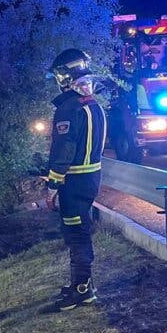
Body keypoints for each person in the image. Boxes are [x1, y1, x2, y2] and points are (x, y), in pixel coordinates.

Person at [45, 49, 107, 310]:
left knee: (77, 234)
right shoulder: (94, 104)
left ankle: (82, 289)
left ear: (70, 73)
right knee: (79, 230)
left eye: (61, 73)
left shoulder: (68, 108)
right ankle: (80, 284)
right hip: (90, 177)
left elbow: (64, 149)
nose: (59, 79)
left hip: (74, 182)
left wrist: (53, 184)